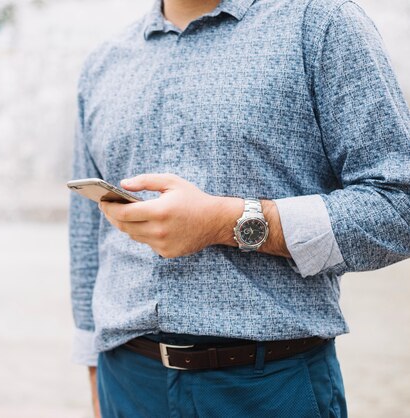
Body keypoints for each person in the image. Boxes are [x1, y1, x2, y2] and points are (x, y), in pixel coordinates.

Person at [68, 0, 410, 416]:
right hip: (127, 382)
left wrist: (225, 223)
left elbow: (399, 205)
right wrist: (93, 369)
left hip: (268, 386)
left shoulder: (321, 24)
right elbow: (87, 236)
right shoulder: (104, 62)